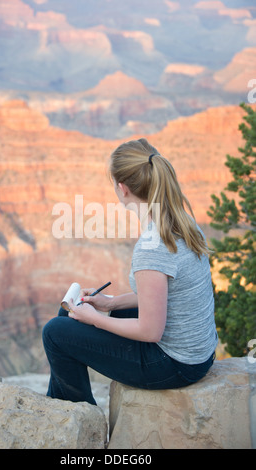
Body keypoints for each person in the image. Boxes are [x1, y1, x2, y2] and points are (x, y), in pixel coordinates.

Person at [42, 138, 218, 405]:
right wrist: (108, 302)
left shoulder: (152, 247)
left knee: (55, 332)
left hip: (176, 365)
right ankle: (58, 403)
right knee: (70, 313)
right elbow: (165, 294)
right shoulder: (183, 222)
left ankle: (77, 415)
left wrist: (95, 319)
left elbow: (150, 332)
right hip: (198, 353)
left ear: (122, 189)